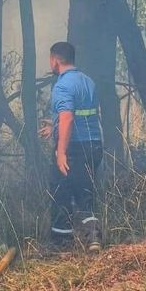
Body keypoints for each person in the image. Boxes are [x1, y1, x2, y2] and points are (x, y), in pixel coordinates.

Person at [38, 42, 103, 252]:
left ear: (55, 60)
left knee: (60, 191)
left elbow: (67, 117)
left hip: (73, 147)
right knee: (85, 190)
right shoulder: (87, 81)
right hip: (94, 144)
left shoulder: (62, 85)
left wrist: (61, 152)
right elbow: (80, 112)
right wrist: (53, 126)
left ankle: (60, 242)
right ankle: (93, 237)